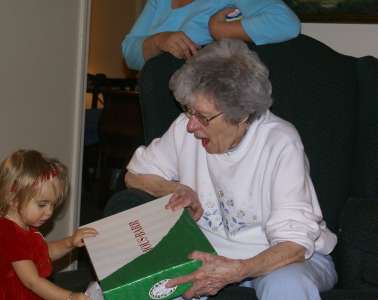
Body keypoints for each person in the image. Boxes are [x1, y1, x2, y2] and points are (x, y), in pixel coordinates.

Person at [125, 39, 338, 300]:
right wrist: (176, 189)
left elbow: (293, 246)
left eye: (203, 116)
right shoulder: (185, 129)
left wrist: (238, 270)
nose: (192, 125)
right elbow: (134, 176)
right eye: (188, 110)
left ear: (241, 115)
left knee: (286, 285)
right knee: (133, 289)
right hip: (206, 256)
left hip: (282, 259)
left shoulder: (279, 142)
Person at [0, 149, 98, 300]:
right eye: (42, 205)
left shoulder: (22, 224)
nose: (49, 212)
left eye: (53, 204)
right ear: (13, 198)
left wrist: (69, 242)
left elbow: (40, 253)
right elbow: (32, 281)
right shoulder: (10, 236)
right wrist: (69, 296)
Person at [122, 0, 301, 71]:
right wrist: (158, 40)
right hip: (153, 104)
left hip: (207, 111)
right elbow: (129, 52)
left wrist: (219, 31)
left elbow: (287, 23)